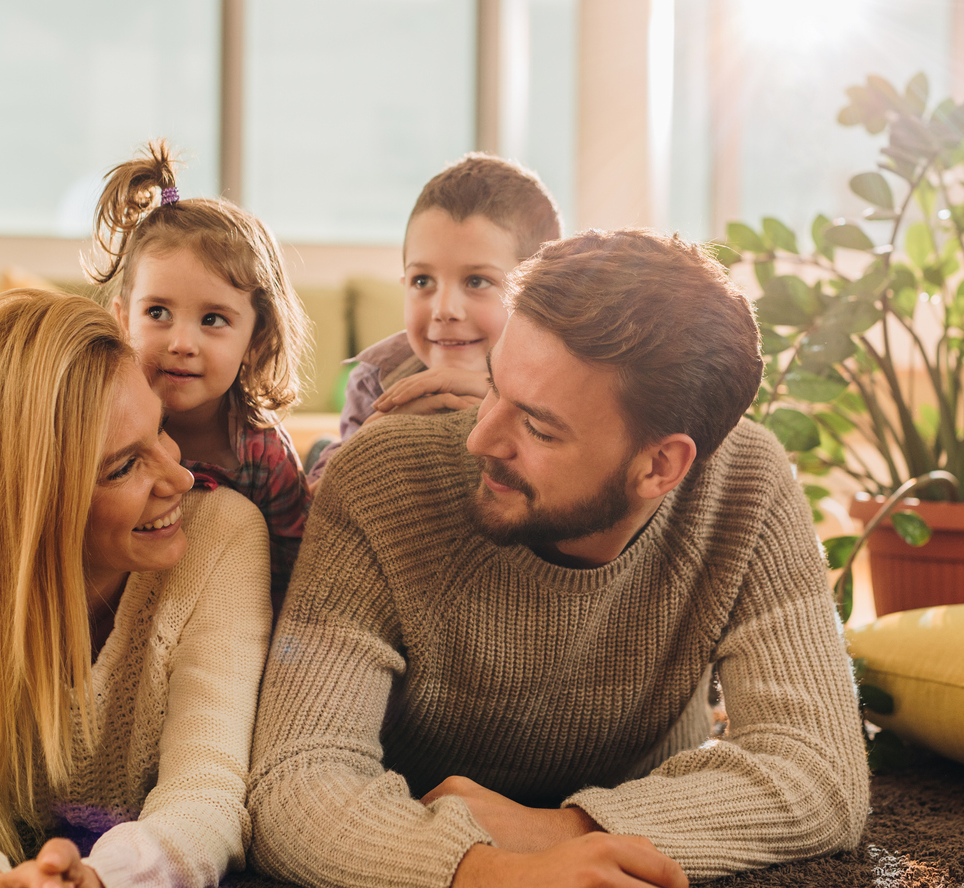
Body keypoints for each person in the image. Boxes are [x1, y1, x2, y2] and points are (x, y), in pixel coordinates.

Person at [247, 230, 870, 888]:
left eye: (538, 426)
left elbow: (822, 773)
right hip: (414, 823)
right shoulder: (381, 479)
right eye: (493, 387)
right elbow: (294, 782)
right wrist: (487, 872)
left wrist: (561, 831)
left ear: (661, 465)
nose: (482, 436)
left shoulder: (748, 482)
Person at [0, 290, 272, 888]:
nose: (179, 476)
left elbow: (209, 787)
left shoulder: (222, 534)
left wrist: (105, 879)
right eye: (123, 467)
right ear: (19, 504)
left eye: (162, 428)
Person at [89, 139, 312, 605]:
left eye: (212, 320)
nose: (182, 344)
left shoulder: (263, 455)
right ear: (121, 319)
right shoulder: (97, 430)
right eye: (158, 313)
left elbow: (292, 580)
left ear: (257, 340)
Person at [306, 153, 562, 489]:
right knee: (322, 455)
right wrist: (372, 439)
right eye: (422, 281)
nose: (444, 309)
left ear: (538, 294)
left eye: (477, 282)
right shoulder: (376, 379)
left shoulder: (563, 380)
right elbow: (320, 510)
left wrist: (502, 403)